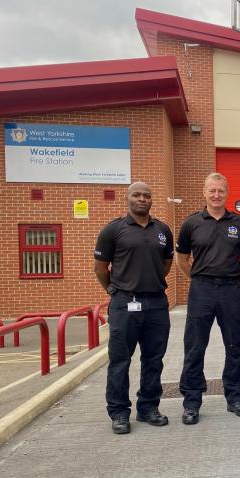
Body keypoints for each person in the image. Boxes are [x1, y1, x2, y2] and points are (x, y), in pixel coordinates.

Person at [94, 181, 174, 434]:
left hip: (156, 304)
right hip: (124, 302)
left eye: (147, 195)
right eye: (137, 195)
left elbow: (166, 263)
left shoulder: (162, 230)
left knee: (154, 359)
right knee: (120, 360)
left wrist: (150, 282)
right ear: (127, 198)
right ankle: (119, 412)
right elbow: (100, 268)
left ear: (152, 200)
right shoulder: (113, 230)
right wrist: (114, 291)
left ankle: (148, 407)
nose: (142, 199)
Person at [175, 172, 240, 425]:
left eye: (221, 191)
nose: (216, 195)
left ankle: (235, 398)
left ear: (226, 193)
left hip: (232, 289)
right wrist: (198, 278)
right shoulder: (191, 223)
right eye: (212, 191)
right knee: (195, 346)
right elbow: (182, 260)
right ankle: (191, 402)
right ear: (204, 192)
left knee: (234, 345)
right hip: (202, 290)